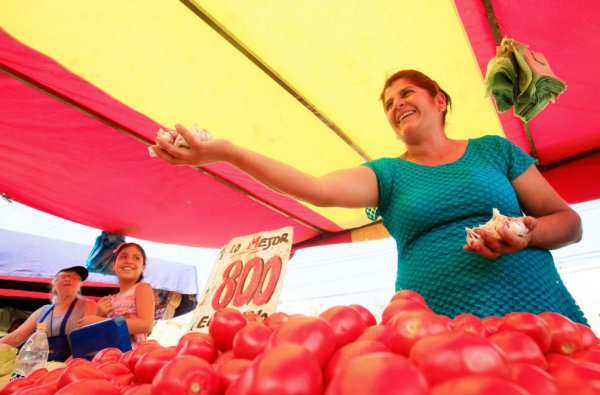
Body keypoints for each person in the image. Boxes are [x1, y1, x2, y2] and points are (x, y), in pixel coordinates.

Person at [150, 69, 587, 324]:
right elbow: (316, 189)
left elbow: (568, 222)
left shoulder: (494, 149)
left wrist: (527, 235)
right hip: (433, 315)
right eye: (388, 103)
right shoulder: (388, 173)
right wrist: (224, 152)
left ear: (439, 101)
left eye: (406, 94)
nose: (396, 105)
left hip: (531, 300)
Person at [0, 266, 97, 361]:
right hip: (39, 365)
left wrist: (65, 367)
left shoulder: (89, 305)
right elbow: (15, 337)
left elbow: (89, 341)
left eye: (75, 277)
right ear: (54, 285)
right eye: (63, 277)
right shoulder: (43, 311)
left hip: (71, 367)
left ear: (80, 285)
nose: (68, 279)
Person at [78, 242, 155, 344]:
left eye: (136, 258)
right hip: (109, 354)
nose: (129, 261)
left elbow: (145, 325)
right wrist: (99, 313)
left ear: (143, 267)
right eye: (123, 257)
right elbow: (99, 333)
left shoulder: (142, 288)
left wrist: (97, 321)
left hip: (131, 356)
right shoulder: (110, 300)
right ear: (113, 266)